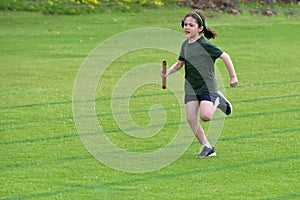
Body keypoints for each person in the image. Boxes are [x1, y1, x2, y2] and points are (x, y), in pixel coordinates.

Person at [161, 11, 238, 158]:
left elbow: (225, 56)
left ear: (200, 28)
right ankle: (207, 147)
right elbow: (179, 64)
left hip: (207, 86)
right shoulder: (185, 45)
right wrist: (167, 73)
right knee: (191, 118)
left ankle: (218, 99)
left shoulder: (205, 45)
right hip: (191, 87)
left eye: (191, 25)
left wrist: (233, 76)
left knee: (206, 116)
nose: (187, 27)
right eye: (185, 24)